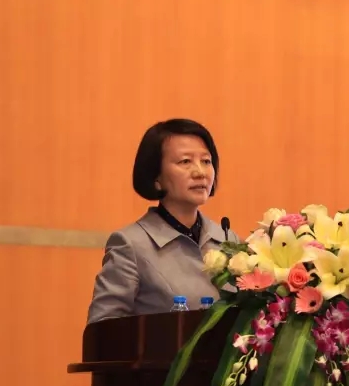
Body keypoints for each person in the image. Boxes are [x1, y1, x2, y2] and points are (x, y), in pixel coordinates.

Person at [86, 118, 238, 324]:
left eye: (206, 161)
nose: (200, 172)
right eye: (185, 161)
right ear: (156, 177)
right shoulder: (132, 245)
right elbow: (103, 327)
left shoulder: (228, 240)